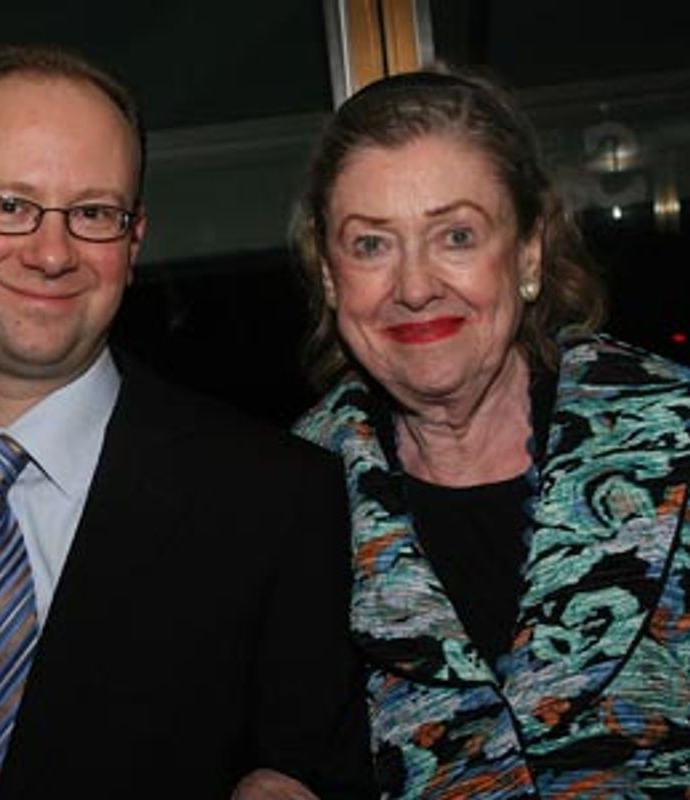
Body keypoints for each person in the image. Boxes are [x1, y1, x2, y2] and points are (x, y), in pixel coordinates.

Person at [0, 44, 374, 800]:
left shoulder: (275, 499)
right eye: (8, 206)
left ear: (133, 244)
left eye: (93, 214)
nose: (52, 253)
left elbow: (323, 763)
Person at [288, 67, 690, 797]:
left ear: (529, 252)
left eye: (457, 235)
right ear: (329, 273)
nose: (415, 287)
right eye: (371, 245)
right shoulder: (287, 500)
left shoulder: (676, 434)